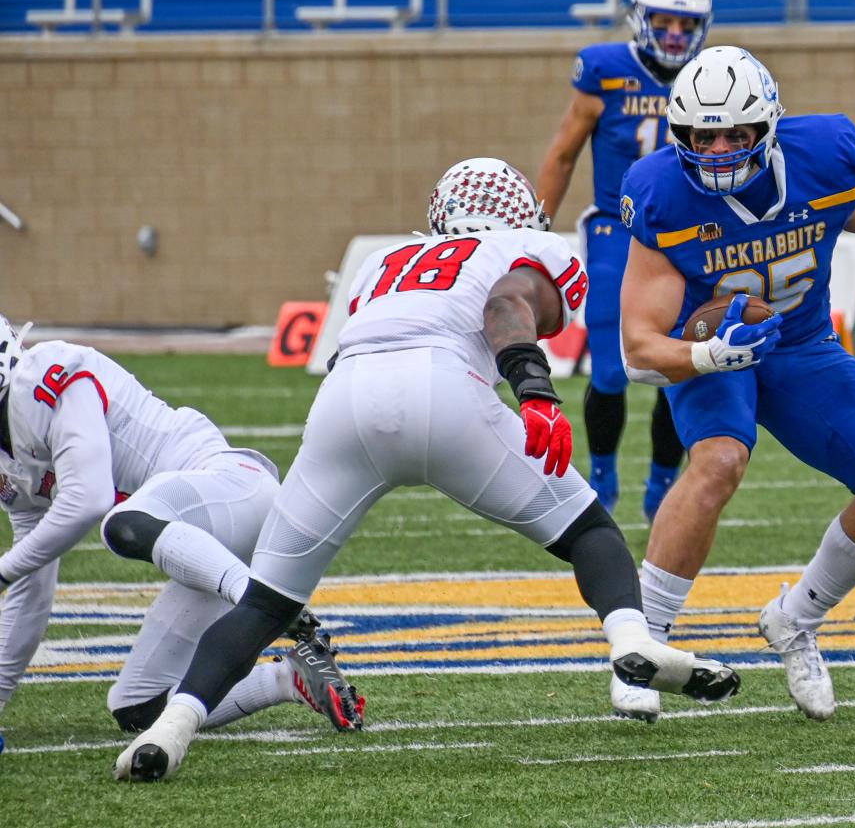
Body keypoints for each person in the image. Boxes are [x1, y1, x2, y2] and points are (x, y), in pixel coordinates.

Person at [114, 159, 741, 782]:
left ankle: (171, 730)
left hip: (346, 399)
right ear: (520, 214)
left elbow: (347, 352)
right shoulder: (528, 248)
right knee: (588, 531)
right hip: (444, 392)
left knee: (264, 603)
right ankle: (631, 641)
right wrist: (537, 393)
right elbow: (506, 305)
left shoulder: (383, 261)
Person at [615, 45, 855, 722]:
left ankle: (796, 618)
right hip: (712, 346)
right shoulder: (661, 190)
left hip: (802, 342)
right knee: (719, 458)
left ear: (768, 128)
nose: (719, 148)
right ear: (681, 135)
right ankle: (647, 645)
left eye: (735, 133)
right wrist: (709, 356)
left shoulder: (828, 153)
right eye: (703, 135)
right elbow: (639, 346)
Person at [0, 317, 360, 747]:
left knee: (121, 523)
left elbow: (88, 499)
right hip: (202, 551)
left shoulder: (44, 373)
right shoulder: (8, 463)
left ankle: (264, 602)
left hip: (234, 491)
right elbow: (30, 586)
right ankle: (287, 678)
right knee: (138, 709)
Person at [536, 0, 712, 522]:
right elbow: (563, 154)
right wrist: (535, 227)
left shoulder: (714, 75)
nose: (676, 35)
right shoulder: (606, 71)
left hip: (690, 232)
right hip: (617, 223)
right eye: (664, 21)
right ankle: (603, 470)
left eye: (686, 24)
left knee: (676, 361)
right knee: (611, 368)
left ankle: (662, 482)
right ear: (641, 19)